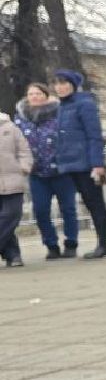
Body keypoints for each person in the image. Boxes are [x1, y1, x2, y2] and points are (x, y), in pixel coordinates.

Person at [52, 69, 106, 259]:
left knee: (95, 203)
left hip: (86, 163)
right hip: (70, 163)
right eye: (57, 83)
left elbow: (94, 136)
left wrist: (97, 163)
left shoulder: (84, 104)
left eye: (64, 83)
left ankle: (104, 244)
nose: (60, 87)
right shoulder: (61, 107)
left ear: (73, 85)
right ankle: (103, 244)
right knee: (89, 202)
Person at [14, 83, 77, 260]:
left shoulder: (60, 114)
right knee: (41, 210)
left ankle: (71, 243)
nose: (34, 96)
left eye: (38, 93)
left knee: (68, 209)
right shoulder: (20, 118)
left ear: (46, 95)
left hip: (62, 171)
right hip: (37, 173)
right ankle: (51, 245)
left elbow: (70, 138)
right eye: (30, 93)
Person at [0, 108, 34, 268]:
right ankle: (13, 255)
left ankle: (13, 255)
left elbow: (24, 150)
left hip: (13, 179)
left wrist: (24, 167)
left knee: (11, 215)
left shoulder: (11, 128)